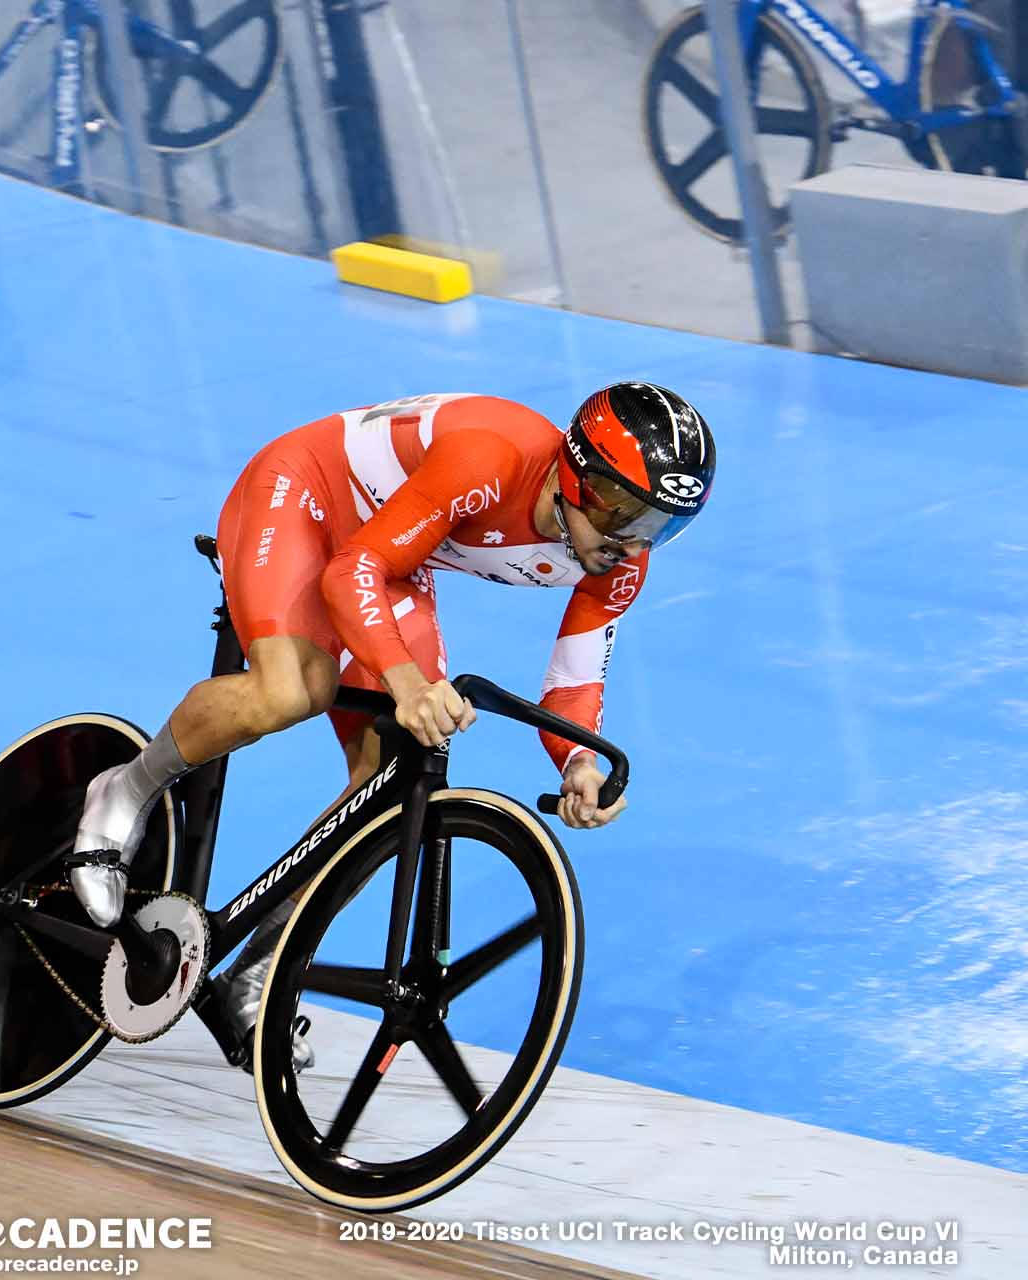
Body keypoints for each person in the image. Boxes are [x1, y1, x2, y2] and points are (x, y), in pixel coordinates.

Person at [68, 385, 716, 1068]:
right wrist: (405, 682)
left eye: (659, 525)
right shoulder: (490, 458)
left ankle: (259, 966)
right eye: (624, 510)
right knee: (296, 689)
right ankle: (124, 788)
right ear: (574, 472)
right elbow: (354, 571)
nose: (631, 541)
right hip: (307, 491)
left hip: (394, 547)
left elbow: (577, 678)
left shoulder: (618, 561)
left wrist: (575, 765)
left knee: (392, 778)